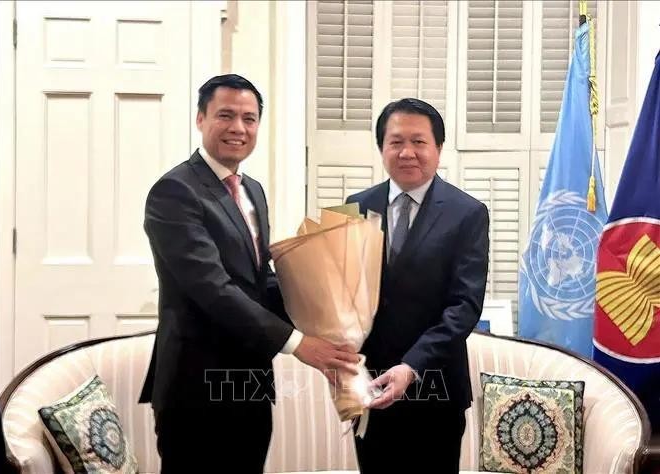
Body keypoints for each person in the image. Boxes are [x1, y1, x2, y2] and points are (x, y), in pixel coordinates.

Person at [139, 73, 358, 473]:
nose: (238, 128)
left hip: (251, 382)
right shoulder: (174, 192)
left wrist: (327, 318)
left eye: (249, 118)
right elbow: (213, 288)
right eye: (226, 115)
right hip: (195, 387)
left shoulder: (252, 189)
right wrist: (297, 342)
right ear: (201, 119)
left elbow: (260, 281)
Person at [346, 98, 489, 473]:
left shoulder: (467, 213)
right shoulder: (356, 206)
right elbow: (342, 292)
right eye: (395, 142)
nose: (407, 152)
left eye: (419, 141)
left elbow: (464, 307)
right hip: (372, 389)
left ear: (438, 148)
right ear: (381, 148)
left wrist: (411, 366)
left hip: (434, 391)